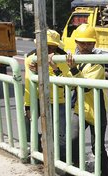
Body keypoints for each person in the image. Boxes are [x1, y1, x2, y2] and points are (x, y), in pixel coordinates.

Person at [65, 24, 108, 176]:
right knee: (72, 139)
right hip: (81, 108)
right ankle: (75, 169)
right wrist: (58, 69)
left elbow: (85, 87)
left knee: (97, 147)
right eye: (82, 43)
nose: (85, 46)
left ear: (94, 44)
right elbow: (71, 84)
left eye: (89, 43)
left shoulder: (96, 63)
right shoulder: (76, 60)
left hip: (97, 110)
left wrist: (72, 69)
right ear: (76, 42)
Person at [24, 29, 70, 160]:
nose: (49, 50)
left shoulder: (62, 58)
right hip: (37, 99)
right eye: (45, 46)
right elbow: (28, 83)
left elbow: (66, 83)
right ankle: (37, 152)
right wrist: (27, 104)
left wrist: (54, 67)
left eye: (52, 47)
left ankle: (62, 161)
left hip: (58, 100)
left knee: (60, 134)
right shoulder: (31, 58)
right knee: (27, 126)